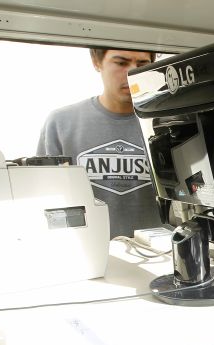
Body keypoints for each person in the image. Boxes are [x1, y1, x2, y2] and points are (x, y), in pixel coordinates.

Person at [36, 48, 162, 238]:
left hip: (160, 256)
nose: (132, 73)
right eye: (121, 63)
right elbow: (46, 199)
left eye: (142, 65)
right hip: (90, 255)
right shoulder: (61, 123)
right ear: (96, 61)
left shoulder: (167, 123)